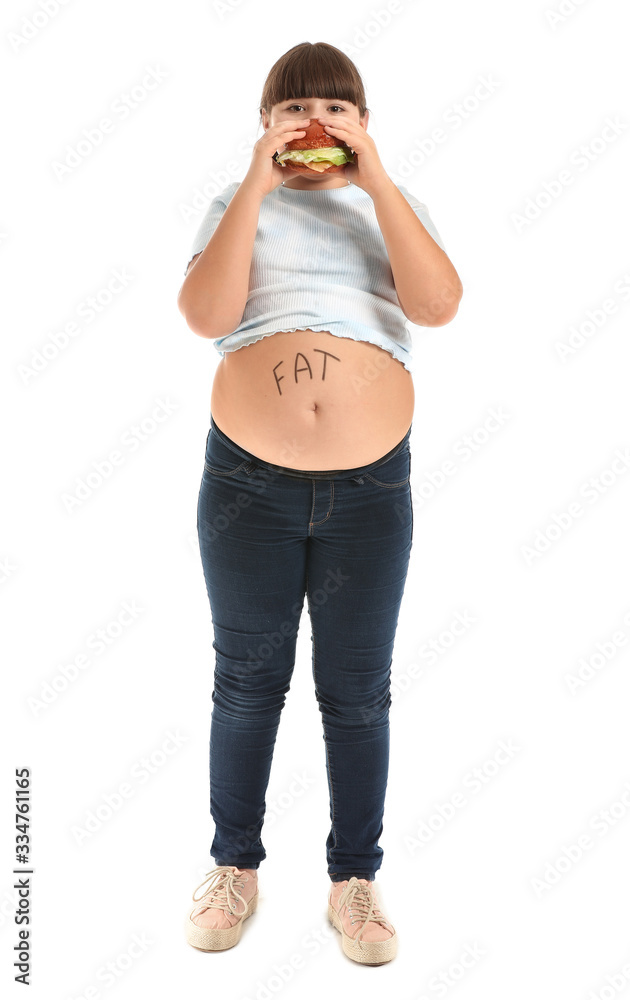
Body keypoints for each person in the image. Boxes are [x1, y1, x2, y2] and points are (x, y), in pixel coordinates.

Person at [178, 41, 462, 966]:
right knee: (247, 683)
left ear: (364, 126)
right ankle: (234, 867)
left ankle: (354, 881)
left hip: (369, 489)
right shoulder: (239, 207)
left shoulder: (389, 208)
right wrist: (252, 189)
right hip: (247, 487)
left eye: (336, 110)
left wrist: (378, 184)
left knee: (358, 692)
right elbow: (207, 317)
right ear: (263, 127)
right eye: (293, 108)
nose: (315, 122)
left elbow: (439, 304)